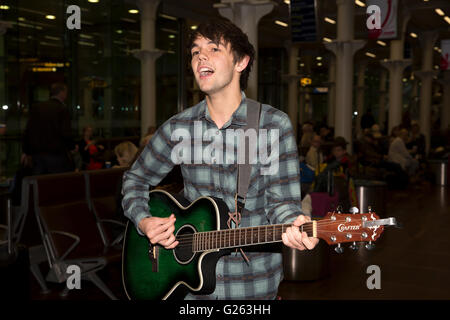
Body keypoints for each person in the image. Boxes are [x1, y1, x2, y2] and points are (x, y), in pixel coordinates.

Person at [121, 18, 319, 300]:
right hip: (189, 286)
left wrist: (294, 226)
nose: (201, 55)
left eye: (214, 48)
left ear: (241, 62)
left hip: (253, 284)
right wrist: (143, 221)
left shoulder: (271, 125)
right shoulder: (179, 128)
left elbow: (282, 203)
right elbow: (135, 178)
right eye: (195, 51)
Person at [21, 82, 75, 175]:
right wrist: (71, 147)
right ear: (62, 93)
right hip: (56, 153)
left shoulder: (38, 107)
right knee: (57, 183)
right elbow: (65, 132)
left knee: (39, 183)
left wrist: (26, 151)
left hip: (37, 153)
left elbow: (29, 130)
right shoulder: (62, 109)